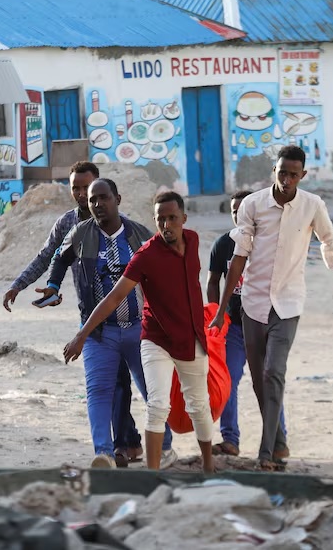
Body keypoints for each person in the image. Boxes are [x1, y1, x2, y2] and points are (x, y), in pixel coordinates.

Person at [210, 145, 333, 471]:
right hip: (252, 303)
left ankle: (266, 452)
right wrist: (221, 310)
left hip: (288, 303)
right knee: (260, 380)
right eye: (282, 173)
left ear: (302, 175)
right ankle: (279, 444)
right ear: (274, 171)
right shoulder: (253, 204)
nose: (287, 179)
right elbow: (238, 258)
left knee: (274, 372)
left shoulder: (312, 206)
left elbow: (330, 244)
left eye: (293, 174)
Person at [3, 162, 148, 466]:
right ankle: (117, 447)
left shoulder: (128, 229)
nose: (84, 196)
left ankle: (127, 442)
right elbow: (49, 257)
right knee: (104, 384)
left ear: (105, 189)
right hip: (93, 316)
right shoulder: (70, 225)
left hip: (129, 318)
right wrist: (26, 285)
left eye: (90, 189)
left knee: (125, 382)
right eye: (77, 189)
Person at [64, 191, 215, 474]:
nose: (167, 225)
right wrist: (82, 335)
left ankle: (209, 466)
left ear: (184, 219)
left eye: (172, 218)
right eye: (161, 219)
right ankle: (152, 472)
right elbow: (112, 298)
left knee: (199, 406)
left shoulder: (193, 241)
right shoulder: (145, 255)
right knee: (157, 404)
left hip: (190, 338)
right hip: (155, 339)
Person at [42, 179, 175, 469]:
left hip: (141, 330)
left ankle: (165, 448)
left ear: (118, 198)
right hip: (99, 333)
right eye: (92, 200)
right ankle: (102, 453)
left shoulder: (140, 235)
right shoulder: (80, 233)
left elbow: (166, 274)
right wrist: (53, 285)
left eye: (103, 198)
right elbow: (59, 259)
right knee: (98, 391)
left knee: (153, 391)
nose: (97, 204)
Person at [207, 190, 286, 457]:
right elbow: (212, 282)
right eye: (233, 210)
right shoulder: (222, 244)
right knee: (227, 381)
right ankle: (230, 440)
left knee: (268, 381)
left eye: (243, 209)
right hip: (235, 329)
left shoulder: (269, 243)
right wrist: (217, 314)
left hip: (264, 326)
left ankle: (277, 441)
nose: (238, 214)